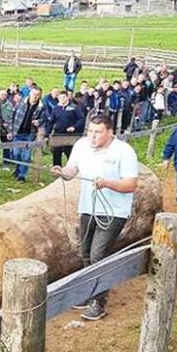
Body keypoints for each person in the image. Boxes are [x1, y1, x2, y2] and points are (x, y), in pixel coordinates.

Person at [52, 114, 139, 321]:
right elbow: (72, 170)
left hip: (113, 211)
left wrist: (108, 183)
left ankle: (98, 302)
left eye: (98, 132)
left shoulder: (124, 151)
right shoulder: (81, 145)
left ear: (110, 132)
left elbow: (131, 185)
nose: (92, 136)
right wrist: (62, 172)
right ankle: (87, 291)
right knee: (85, 252)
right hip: (88, 207)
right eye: (90, 131)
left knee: (98, 254)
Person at [8, 87, 44, 182]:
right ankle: (18, 167)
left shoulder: (41, 107)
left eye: (37, 95)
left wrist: (39, 121)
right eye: (33, 94)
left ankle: (22, 175)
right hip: (17, 132)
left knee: (26, 156)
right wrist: (10, 130)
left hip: (29, 134)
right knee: (16, 154)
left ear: (40, 95)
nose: (35, 96)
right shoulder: (21, 102)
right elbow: (12, 115)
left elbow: (44, 118)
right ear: (29, 93)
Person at [47, 91, 85, 167]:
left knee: (70, 153)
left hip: (70, 134)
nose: (62, 99)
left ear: (67, 97)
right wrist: (47, 134)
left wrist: (74, 127)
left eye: (64, 97)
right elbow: (51, 122)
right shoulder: (56, 108)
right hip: (58, 134)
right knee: (56, 153)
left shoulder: (74, 107)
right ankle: (57, 170)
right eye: (60, 97)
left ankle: (71, 169)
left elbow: (81, 119)